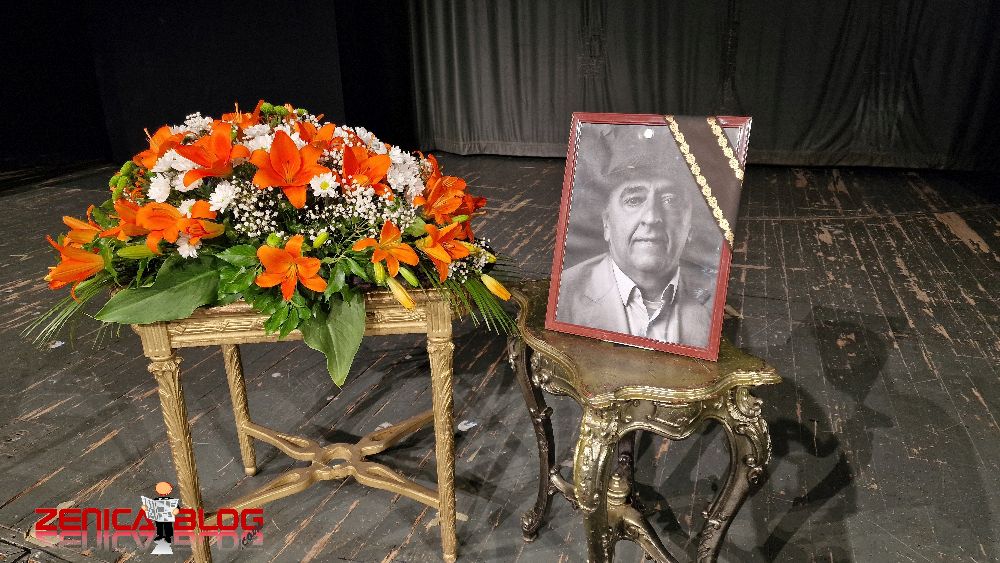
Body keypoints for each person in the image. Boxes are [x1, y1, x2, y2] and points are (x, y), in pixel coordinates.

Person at [556, 126, 714, 348]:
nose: (651, 217)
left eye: (670, 200)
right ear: (607, 223)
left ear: (690, 225)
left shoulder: (715, 297)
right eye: (634, 200)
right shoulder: (563, 295)